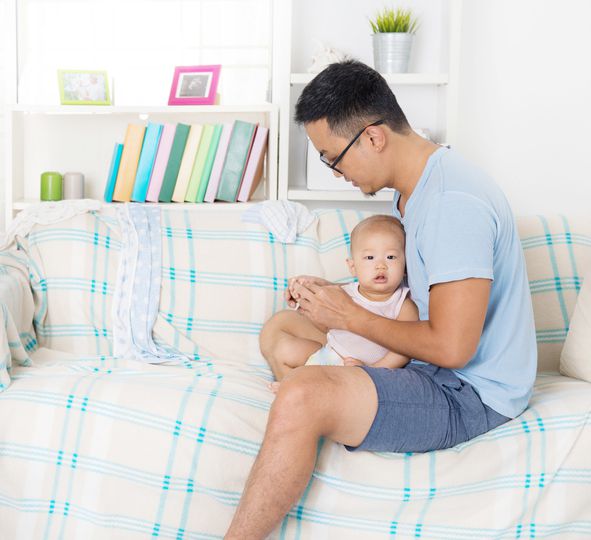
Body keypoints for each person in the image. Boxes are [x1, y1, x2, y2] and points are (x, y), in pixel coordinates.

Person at [225, 59, 537, 539]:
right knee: (280, 332)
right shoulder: (414, 193)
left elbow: (455, 349)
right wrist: (338, 298)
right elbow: (411, 296)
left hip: (469, 394)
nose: (334, 172)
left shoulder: (453, 204)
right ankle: (336, 383)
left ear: (373, 137)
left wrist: (350, 314)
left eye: (332, 157)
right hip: (428, 366)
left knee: (300, 396)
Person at [262, 214, 418, 394]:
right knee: (287, 353)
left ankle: (300, 390)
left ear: (405, 266)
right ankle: (294, 386)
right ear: (353, 267)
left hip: (362, 371)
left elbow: (404, 350)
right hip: (328, 356)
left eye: (391, 257)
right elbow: (325, 323)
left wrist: (372, 370)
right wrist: (303, 295)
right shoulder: (346, 292)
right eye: (369, 258)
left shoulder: (402, 304)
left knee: (325, 387)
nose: (380, 265)